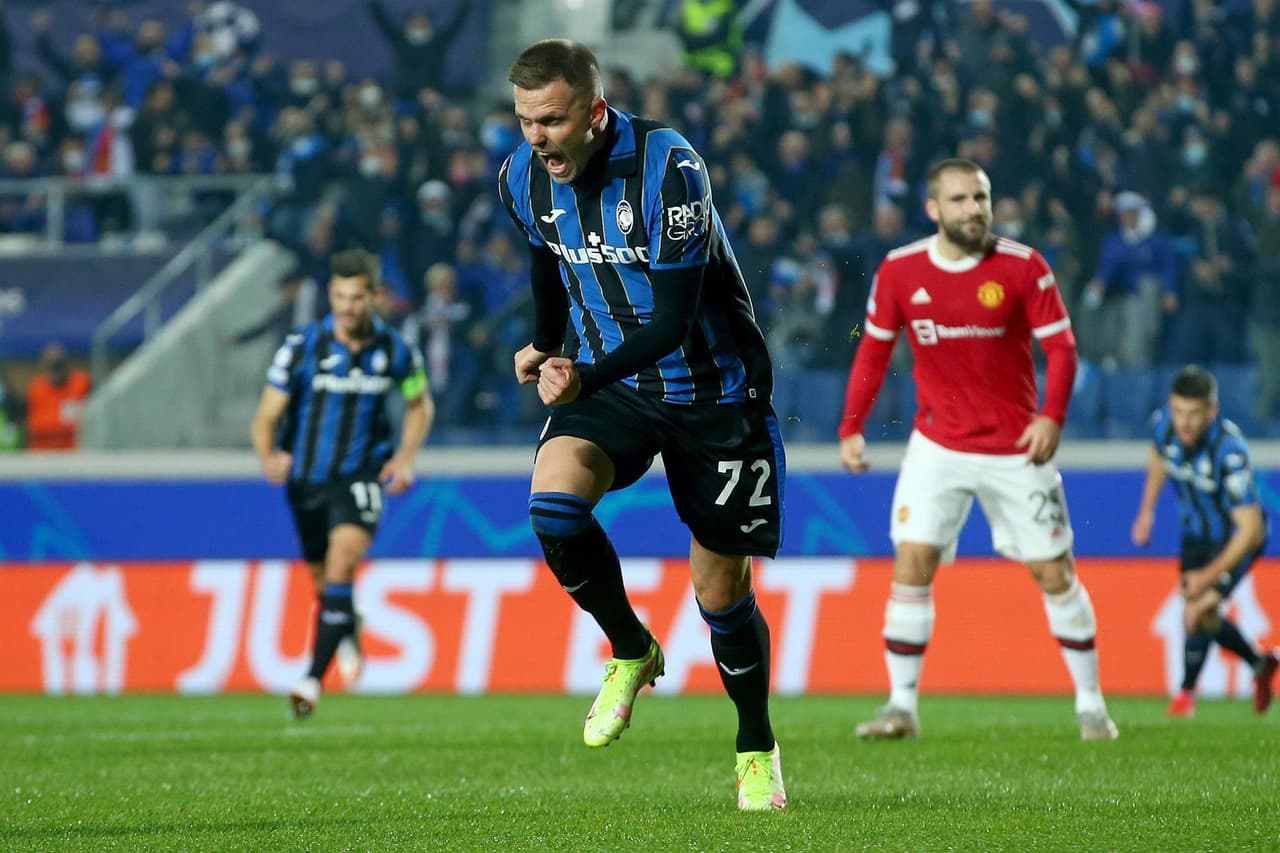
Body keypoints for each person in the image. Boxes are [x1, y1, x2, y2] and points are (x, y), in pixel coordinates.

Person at [498, 39, 787, 811]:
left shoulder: (670, 168)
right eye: (524, 119)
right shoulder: (521, 177)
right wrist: (548, 346)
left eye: (551, 120)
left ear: (594, 112)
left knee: (720, 591)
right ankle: (631, 647)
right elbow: (548, 267)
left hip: (712, 390)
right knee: (553, 507)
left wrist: (580, 373)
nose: (535, 137)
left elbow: (672, 319)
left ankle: (755, 744)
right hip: (611, 382)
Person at [838, 158, 1119, 742]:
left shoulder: (1023, 267)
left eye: (982, 198)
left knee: (1054, 571)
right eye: (961, 199)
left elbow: (1063, 351)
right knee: (912, 563)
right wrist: (851, 427)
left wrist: (1052, 418)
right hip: (937, 444)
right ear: (933, 209)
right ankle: (901, 708)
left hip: (1018, 448)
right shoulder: (899, 271)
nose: (974, 209)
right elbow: (873, 353)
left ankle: (1092, 706)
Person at [250, 249, 434, 719]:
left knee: (341, 563)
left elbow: (419, 405)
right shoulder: (301, 346)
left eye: (357, 298)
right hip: (306, 480)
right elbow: (266, 415)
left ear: (373, 296)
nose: (347, 307)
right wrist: (268, 455)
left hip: (360, 477)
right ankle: (347, 625)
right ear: (330, 295)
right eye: (339, 297)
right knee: (323, 581)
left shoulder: (395, 350)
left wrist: (406, 458)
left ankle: (310, 680)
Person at [1130, 366, 1278, 717]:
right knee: (1202, 614)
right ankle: (1260, 663)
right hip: (1195, 534)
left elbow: (1251, 529)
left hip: (1235, 540)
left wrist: (1208, 576)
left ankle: (1184, 696)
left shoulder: (1230, 452)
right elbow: (1158, 456)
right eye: (1179, 412)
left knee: (1195, 610)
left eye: (1194, 414)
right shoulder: (1164, 426)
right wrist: (1146, 510)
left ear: (1212, 411)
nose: (1185, 423)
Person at [26, 342, 92, 451]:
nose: (55, 370)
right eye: (51, 365)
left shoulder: (82, 384)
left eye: (58, 365)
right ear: (44, 366)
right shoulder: (36, 389)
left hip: (74, 453)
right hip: (43, 454)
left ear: (67, 364)